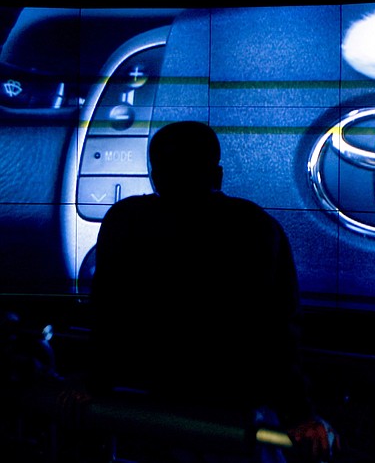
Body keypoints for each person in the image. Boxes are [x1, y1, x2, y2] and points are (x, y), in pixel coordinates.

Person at [87, 120, 338, 462]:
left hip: (145, 411)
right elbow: (278, 332)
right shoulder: (255, 227)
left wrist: (90, 384)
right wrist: (299, 414)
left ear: (154, 175)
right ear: (216, 175)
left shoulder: (125, 221)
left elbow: (106, 316)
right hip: (233, 416)